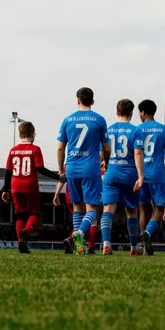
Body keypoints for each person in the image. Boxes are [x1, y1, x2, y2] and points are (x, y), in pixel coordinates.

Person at [56, 87, 110, 254]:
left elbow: (60, 148)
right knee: (93, 208)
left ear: (77, 100)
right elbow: (107, 148)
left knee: (77, 206)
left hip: (72, 168)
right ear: (92, 101)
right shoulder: (99, 119)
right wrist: (107, 164)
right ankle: (78, 234)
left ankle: (80, 246)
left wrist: (60, 169)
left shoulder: (67, 120)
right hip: (90, 168)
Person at [2, 121, 64, 254]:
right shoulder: (35, 149)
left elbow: (8, 172)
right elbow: (40, 168)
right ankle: (26, 232)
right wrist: (57, 177)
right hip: (30, 185)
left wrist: (5, 190)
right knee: (34, 213)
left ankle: (21, 242)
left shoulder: (12, 150)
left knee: (19, 215)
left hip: (15, 185)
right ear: (33, 135)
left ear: (19, 135)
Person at [133, 100, 165, 256]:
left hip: (140, 174)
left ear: (143, 112)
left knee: (142, 209)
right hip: (157, 174)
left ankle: (144, 243)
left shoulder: (137, 129)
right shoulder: (164, 130)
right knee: (158, 209)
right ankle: (148, 233)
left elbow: (134, 153)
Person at [99, 99, 141, 256]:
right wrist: (141, 176)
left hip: (111, 173)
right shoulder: (135, 130)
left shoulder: (108, 130)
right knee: (131, 211)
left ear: (116, 112)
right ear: (131, 113)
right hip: (129, 174)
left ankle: (106, 244)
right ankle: (134, 247)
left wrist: (105, 164)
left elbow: (102, 153)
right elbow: (138, 153)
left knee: (108, 209)